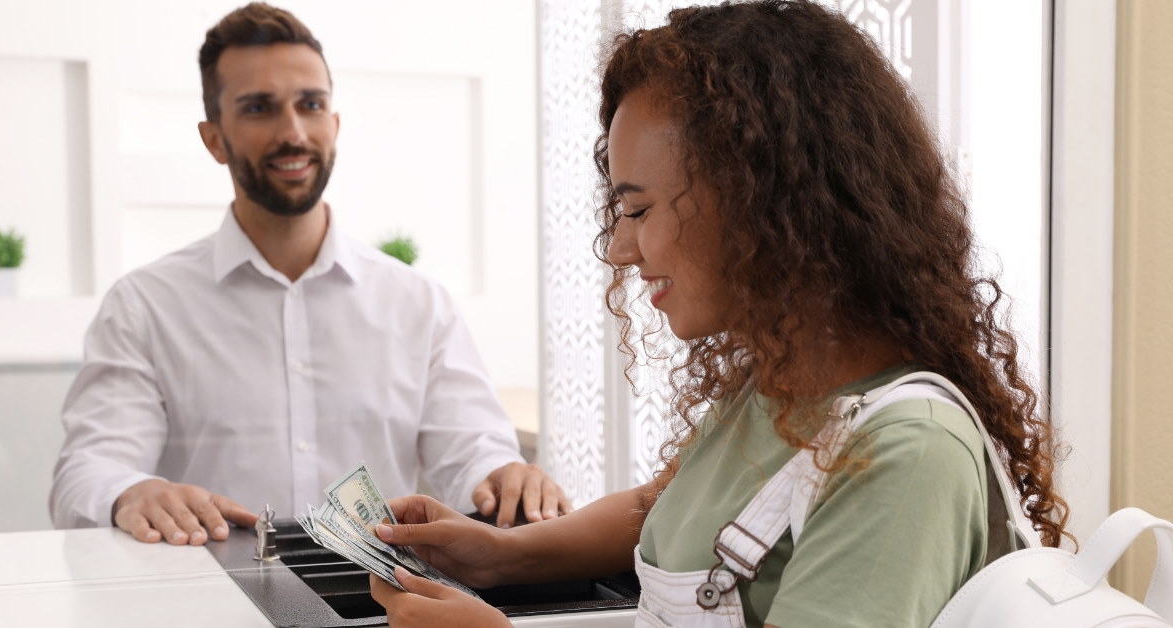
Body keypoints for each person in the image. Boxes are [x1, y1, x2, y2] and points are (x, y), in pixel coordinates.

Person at [366, 1, 1070, 626]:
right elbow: (669, 508)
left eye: (637, 209)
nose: (618, 250)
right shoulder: (777, 387)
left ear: (762, 201)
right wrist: (500, 555)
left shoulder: (906, 454)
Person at [48, 2, 569, 545]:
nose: (292, 132)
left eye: (311, 104)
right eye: (259, 108)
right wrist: (131, 491)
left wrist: (505, 480)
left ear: (334, 125)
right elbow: (87, 475)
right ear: (214, 139)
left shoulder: (418, 304)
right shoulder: (144, 305)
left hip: (379, 609)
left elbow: (472, 458)